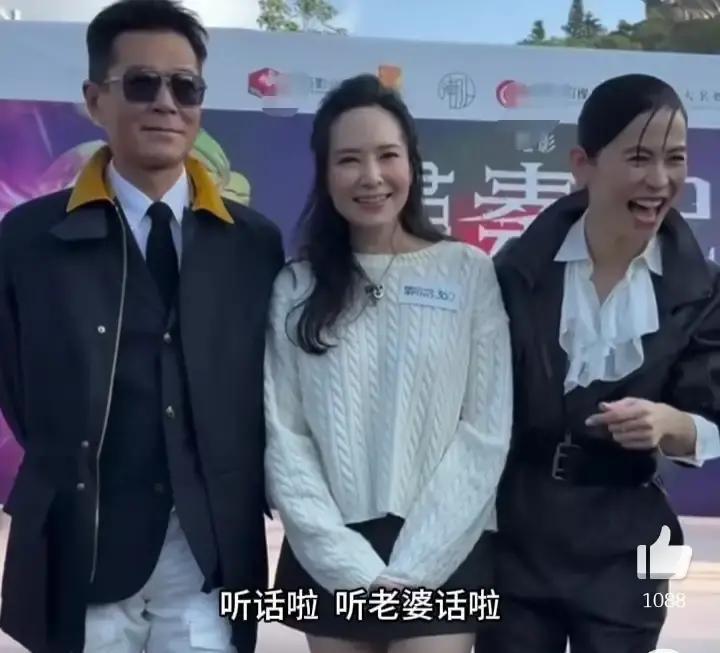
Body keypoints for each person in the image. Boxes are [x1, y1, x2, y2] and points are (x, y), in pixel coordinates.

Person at [0, 1, 284, 652]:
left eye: (185, 87)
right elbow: (16, 384)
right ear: (94, 100)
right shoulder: (29, 239)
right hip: (84, 546)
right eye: (141, 83)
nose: (166, 104)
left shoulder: (253, 243)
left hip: (208, 550)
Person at [263, 73, 513, 653]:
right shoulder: (296, 287)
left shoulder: (467, 271)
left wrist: (418, 564)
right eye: (348, 159)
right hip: (329, 548)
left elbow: (486, 429)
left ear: (412, 165)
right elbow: (286, 437)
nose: (371, 176)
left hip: (447, 543)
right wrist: (346, 564)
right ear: (325, 174)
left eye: (387, 156)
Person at [480, 74, 720, 653]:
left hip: (629, 543)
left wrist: (669, 423)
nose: (659, 180)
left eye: (674, 159)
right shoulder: (515, 270)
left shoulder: (702, 288)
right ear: (582, 165)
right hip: (518, 533)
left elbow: (711, 416)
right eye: (639, 158)